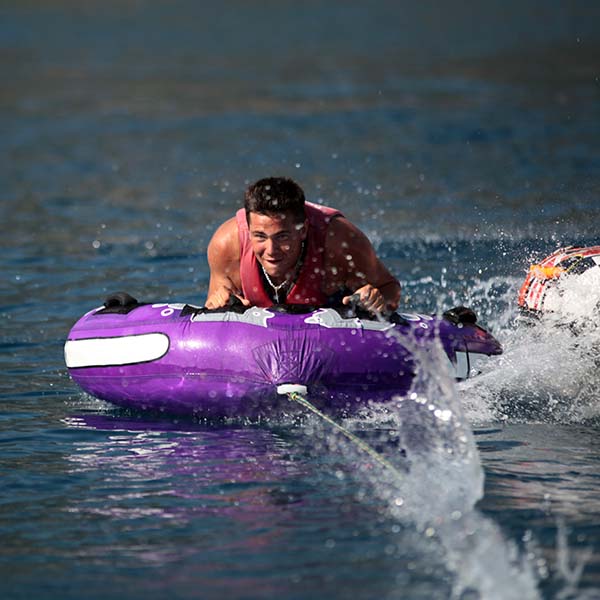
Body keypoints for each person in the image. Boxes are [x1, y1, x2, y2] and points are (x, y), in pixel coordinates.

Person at [205, 177, 401, 315]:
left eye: (282, 237)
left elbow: (390, 289)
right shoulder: (226, 247)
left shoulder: (341, 241)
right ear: (248, 230)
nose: (271, 250)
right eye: (260, 236)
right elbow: (212, 303)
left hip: (333, 305)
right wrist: (217, 304)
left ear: (303, 230)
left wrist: (376, 298)